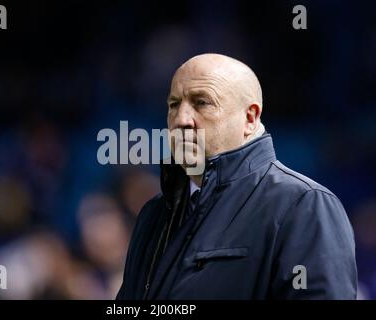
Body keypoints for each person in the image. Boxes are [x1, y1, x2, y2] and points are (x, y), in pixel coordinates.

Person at [116, 53, 357, 299]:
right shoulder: (153, 214)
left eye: (201, 102)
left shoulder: (302, 206)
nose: (181, 120)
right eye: (174, 105)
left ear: (250, 118)